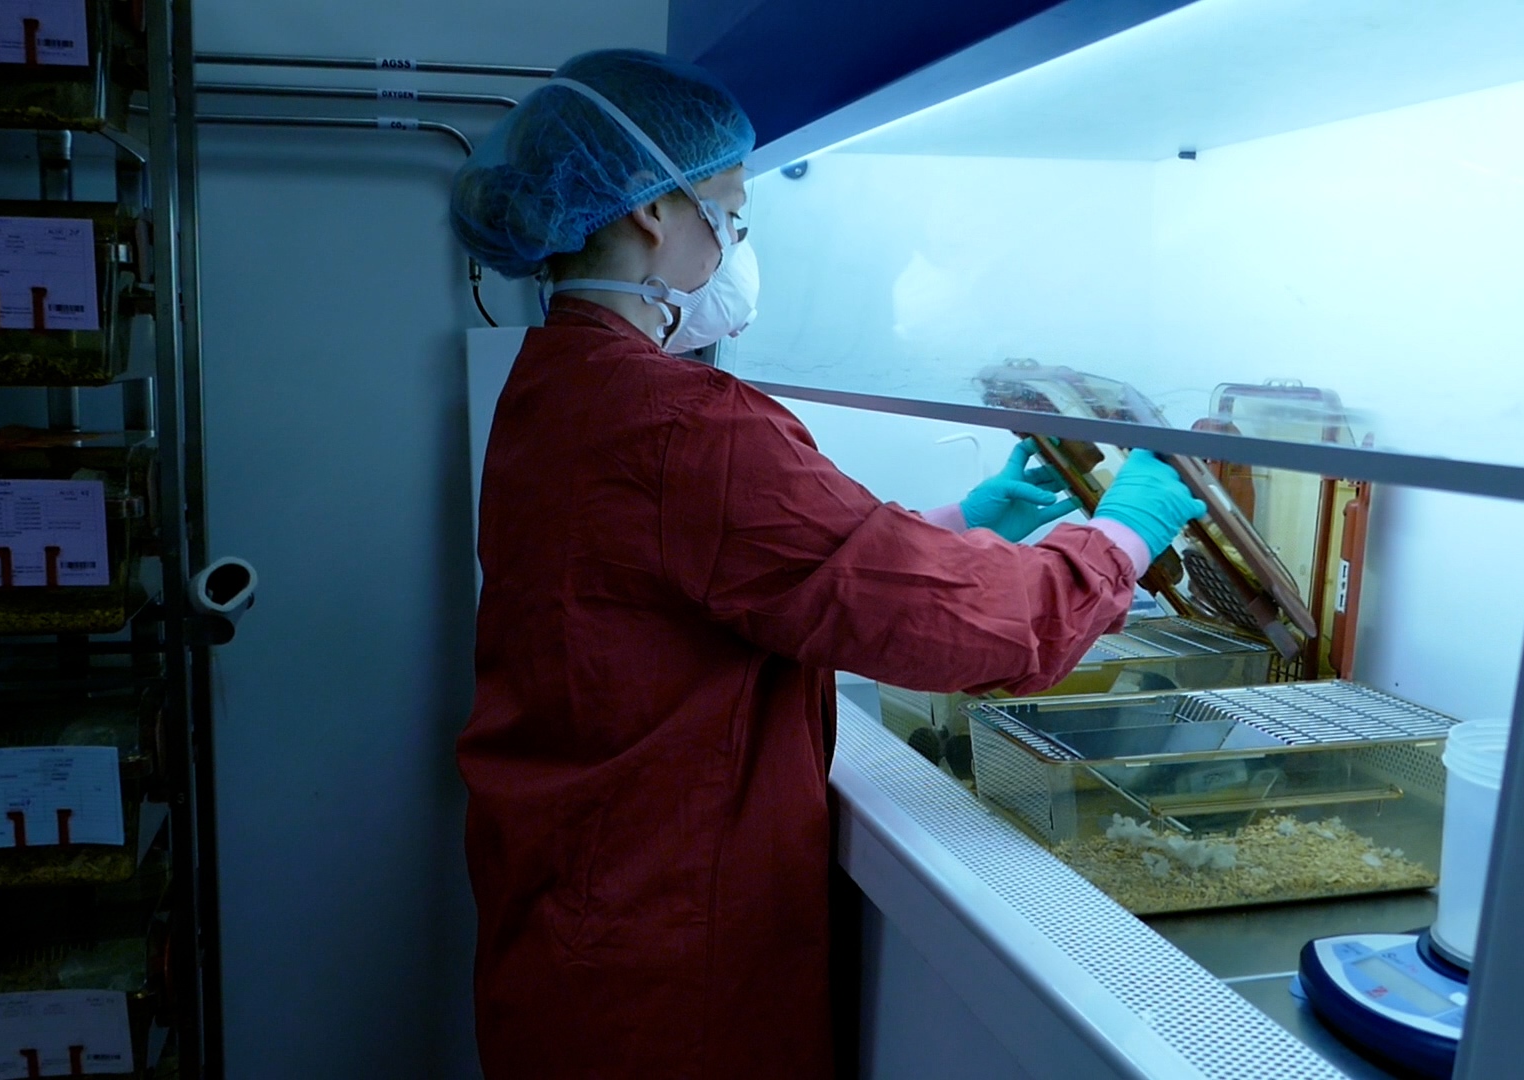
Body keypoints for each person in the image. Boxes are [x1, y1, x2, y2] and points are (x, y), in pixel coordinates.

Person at [450, 49, 1206, 1079]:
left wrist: (963, 518)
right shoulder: (681, 423)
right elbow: (972, 628)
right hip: (659, 964)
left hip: (573, 917)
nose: (735, 240)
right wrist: (1120, 536)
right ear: (647, 215)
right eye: (729, 210)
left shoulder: (560, 389)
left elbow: (742, 572)